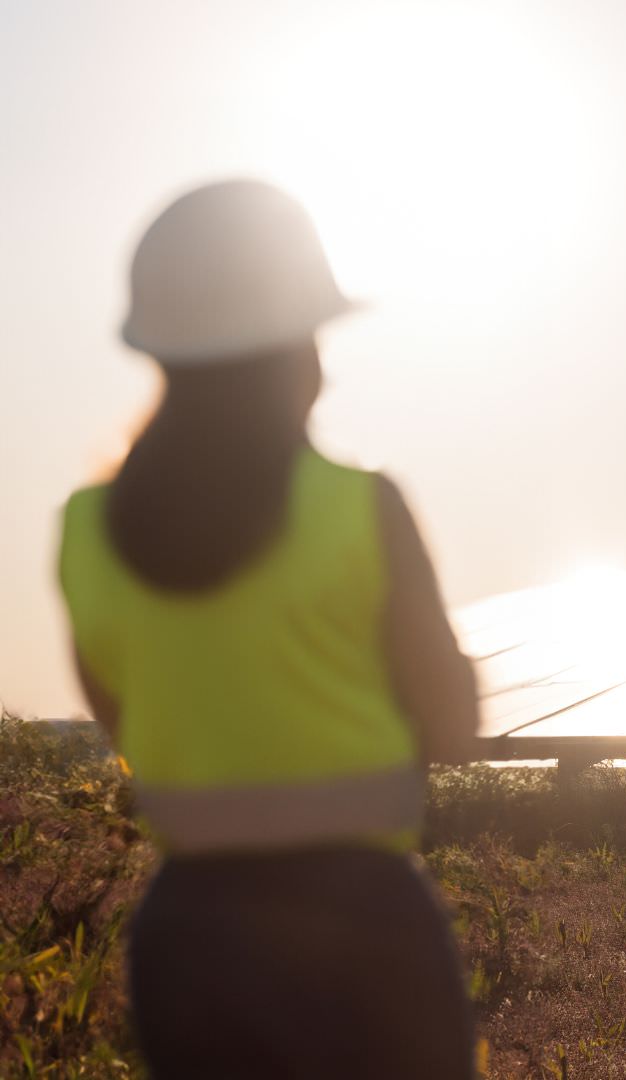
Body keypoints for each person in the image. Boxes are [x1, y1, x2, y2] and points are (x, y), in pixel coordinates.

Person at [56, 180, 479, 1079]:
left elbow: (124, 720)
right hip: (369, 935)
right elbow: (452, 725)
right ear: (301, 350)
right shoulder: (364, 508)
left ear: (159, 348)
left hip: (187, 942)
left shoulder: (86, 534)